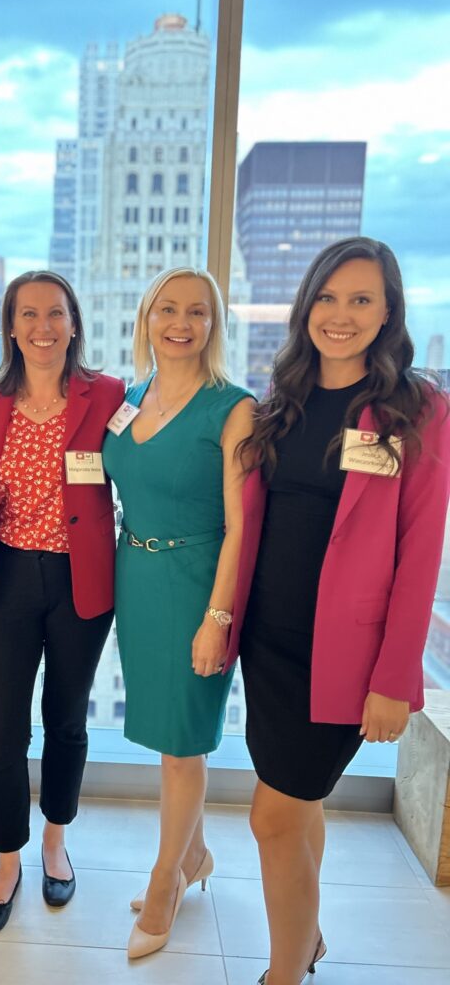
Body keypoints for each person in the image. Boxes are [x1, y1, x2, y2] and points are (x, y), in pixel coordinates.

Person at [226, 237, 450, 985]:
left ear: (388, 311)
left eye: (361, 299)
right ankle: (307, 940)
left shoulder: (418, 411)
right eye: (327, 297)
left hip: (346, 659)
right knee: (299, 804)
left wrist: (395, 679)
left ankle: (284, 973)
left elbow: (419, 560)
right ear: (305, 307)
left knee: (271, 818)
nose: (341, 315)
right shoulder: (281, 399)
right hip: (270, 643)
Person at [103, 267, 254, 958]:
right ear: (146, 317)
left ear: (214, 323)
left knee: (182, 744)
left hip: (197, 582)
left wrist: (217, 618)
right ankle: (194, 856)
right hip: (135, 575)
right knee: (167, 734)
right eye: (167, 308)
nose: (181, 322)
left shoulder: (234, 406)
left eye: (197, 311)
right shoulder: (130, 399)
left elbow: (241, 524)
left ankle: (167, 880)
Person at [0, 270, 124, 933]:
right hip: (4, 573)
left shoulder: (110, 394)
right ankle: (8, 858)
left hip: (79, 578)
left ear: (73, 321)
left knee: (66, 719)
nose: (42, 326)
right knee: (2, 731)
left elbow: (148, 466)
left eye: (55, 313)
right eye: (28, 314)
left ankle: (56, 841)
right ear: (10, 326)